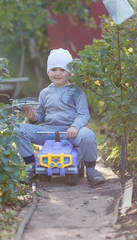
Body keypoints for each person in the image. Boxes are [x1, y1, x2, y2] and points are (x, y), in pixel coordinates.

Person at [16, 48, 105, 185]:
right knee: (18, 129)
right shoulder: (45, 93)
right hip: (48, 131)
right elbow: (40, 116)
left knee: (88, 136)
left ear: (70, 72)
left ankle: (92, 170)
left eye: (62, 70)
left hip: (70, 132)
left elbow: (83, 115)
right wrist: (33, 118)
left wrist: (75, 126)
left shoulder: (76, 91)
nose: (57, 73)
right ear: (48, 72)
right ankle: (31, 167)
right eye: (53, 69)